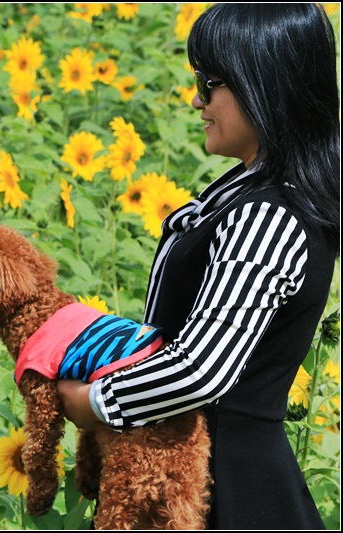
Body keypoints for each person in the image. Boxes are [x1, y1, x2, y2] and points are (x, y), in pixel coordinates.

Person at [57, 4, 340, 530]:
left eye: (210, 83)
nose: (196, 100)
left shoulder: (270, 215)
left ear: (265, 87)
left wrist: (94, 401)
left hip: (226, 489)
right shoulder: (248, 194)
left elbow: (201, 368)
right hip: (192, 469)